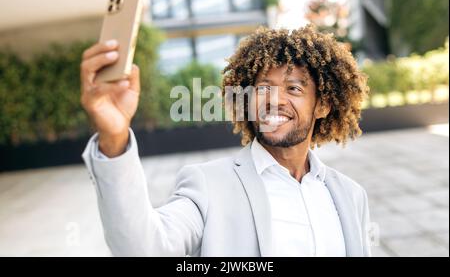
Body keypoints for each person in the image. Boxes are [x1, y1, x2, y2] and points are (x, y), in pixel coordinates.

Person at [80, 25, 372, 256]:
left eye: (294, 88)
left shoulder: (350, 195)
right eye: (263, 88)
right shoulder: (207, 185)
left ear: (322, 106)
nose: (274, 100)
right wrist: (114, 138)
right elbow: (143, 249)